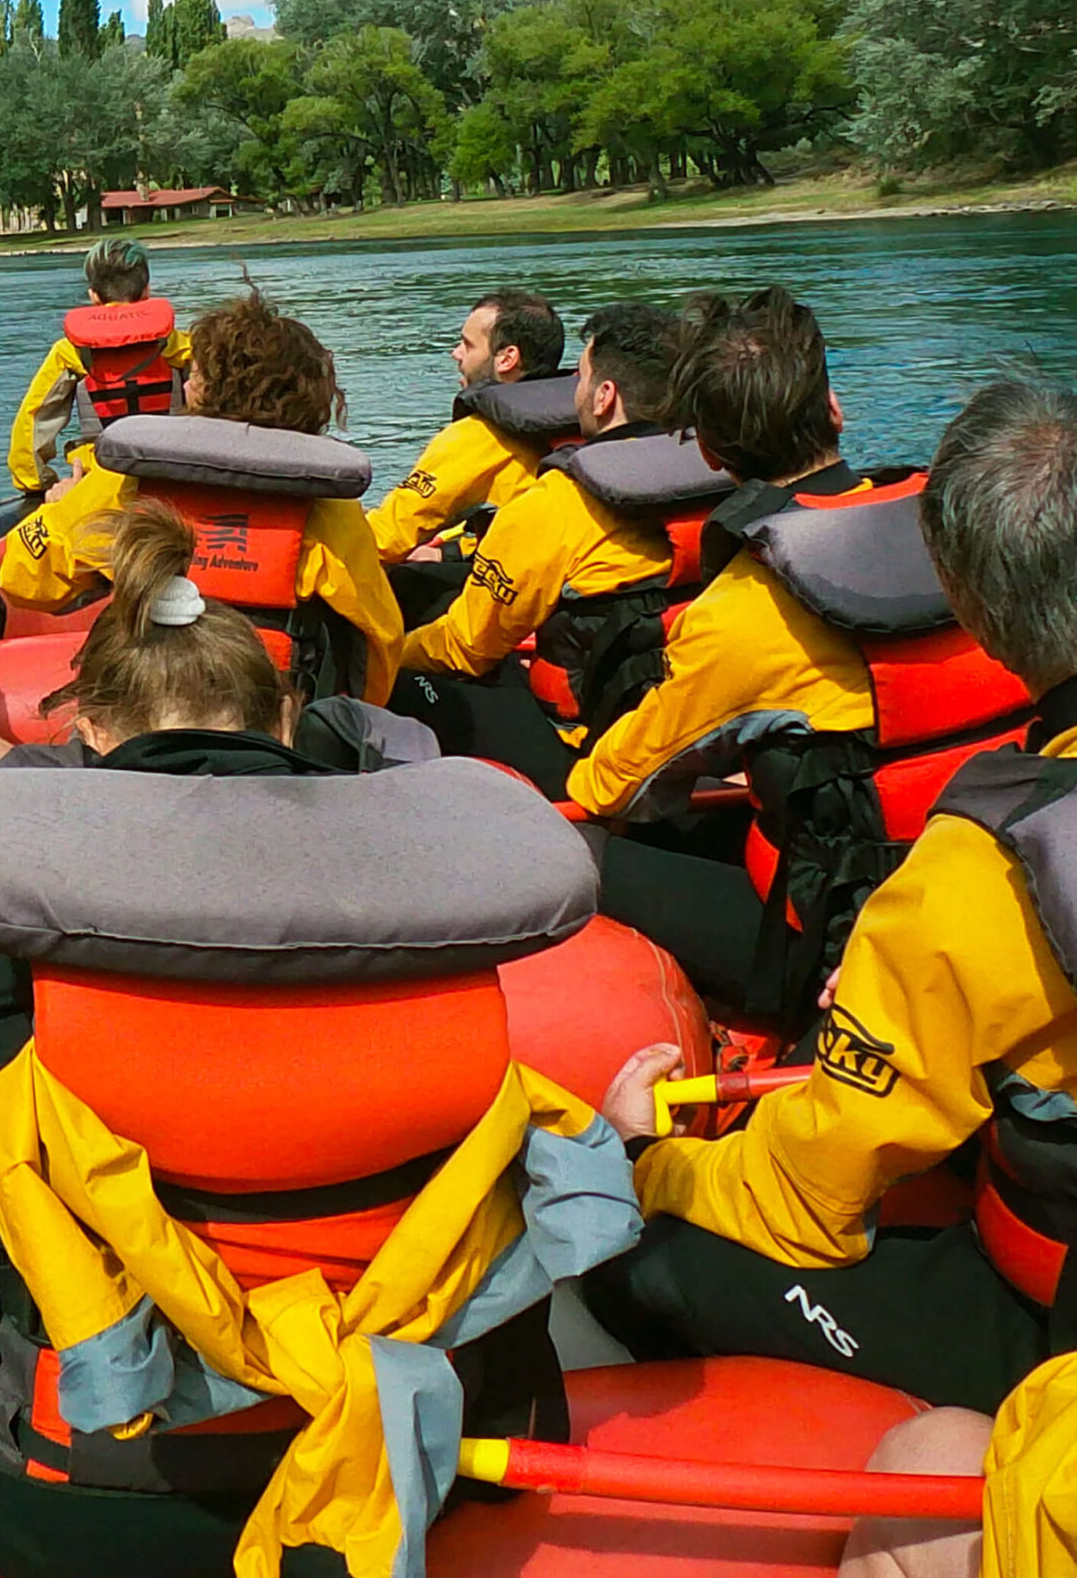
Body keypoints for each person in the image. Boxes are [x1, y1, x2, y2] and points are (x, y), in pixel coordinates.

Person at [0, 500, 631, 1578]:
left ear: (89, 734)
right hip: (410, 1458)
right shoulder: (426, 895)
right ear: (287, 721)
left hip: (48, 1496)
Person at [587, 376, 1077, 1422]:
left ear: (974, 608)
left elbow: (804, 1201)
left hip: (1050, 1335)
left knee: (633, 1249)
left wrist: (640, 1160)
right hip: (911, 993)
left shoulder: (976, 877)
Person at [565, 285, 880, 1012]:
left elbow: (615, 787)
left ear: (707, 451)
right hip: (984, 888)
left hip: (826, 944)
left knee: (575, 851)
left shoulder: (739, 609)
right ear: (834, 409)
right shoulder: (963, 537)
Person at [0, 286, 405, 702]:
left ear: (206, 389)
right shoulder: (330, 508)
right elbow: (379, 642)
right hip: (270, 719)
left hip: (147, 708)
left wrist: (63, 505)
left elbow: (23, 578)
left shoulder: (123, 482)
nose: (187, 381)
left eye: (195, 372)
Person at [394, 303, 679, 798]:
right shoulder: (726, 477)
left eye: (583, 379)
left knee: (392, 679)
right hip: (680, 723)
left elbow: (464, 649)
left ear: (605, 395)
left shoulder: (558, 501)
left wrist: (383, 654)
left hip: (584, 750)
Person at [367, 287, 567, 564]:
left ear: (507, 358)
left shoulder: (479, 435)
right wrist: (445, 550)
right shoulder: (576, 422)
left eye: (468, 345)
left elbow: (386, 538)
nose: (455, 353)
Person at [5, 237, 192, 495]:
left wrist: (38, 484)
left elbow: (32, 423)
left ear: (93, 295)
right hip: (170, 474)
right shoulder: (180, 345)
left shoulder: (70, 352)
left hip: (101, 476)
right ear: (147, 291)